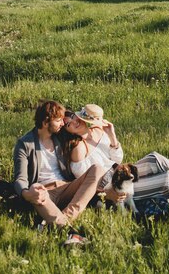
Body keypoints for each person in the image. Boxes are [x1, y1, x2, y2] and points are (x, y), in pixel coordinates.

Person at [13, 100, 105, 245]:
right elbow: (20, 178)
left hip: (65, 187)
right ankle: (73, 234)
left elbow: (81, 126)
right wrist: (27, 193)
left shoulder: (60, 135)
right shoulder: (25, 144)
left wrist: (97, 122)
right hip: (44, 191)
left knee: (97, 169)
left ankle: (63, 218)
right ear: (45, 122)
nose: (62, 123)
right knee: (37, 190)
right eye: (58, 120)